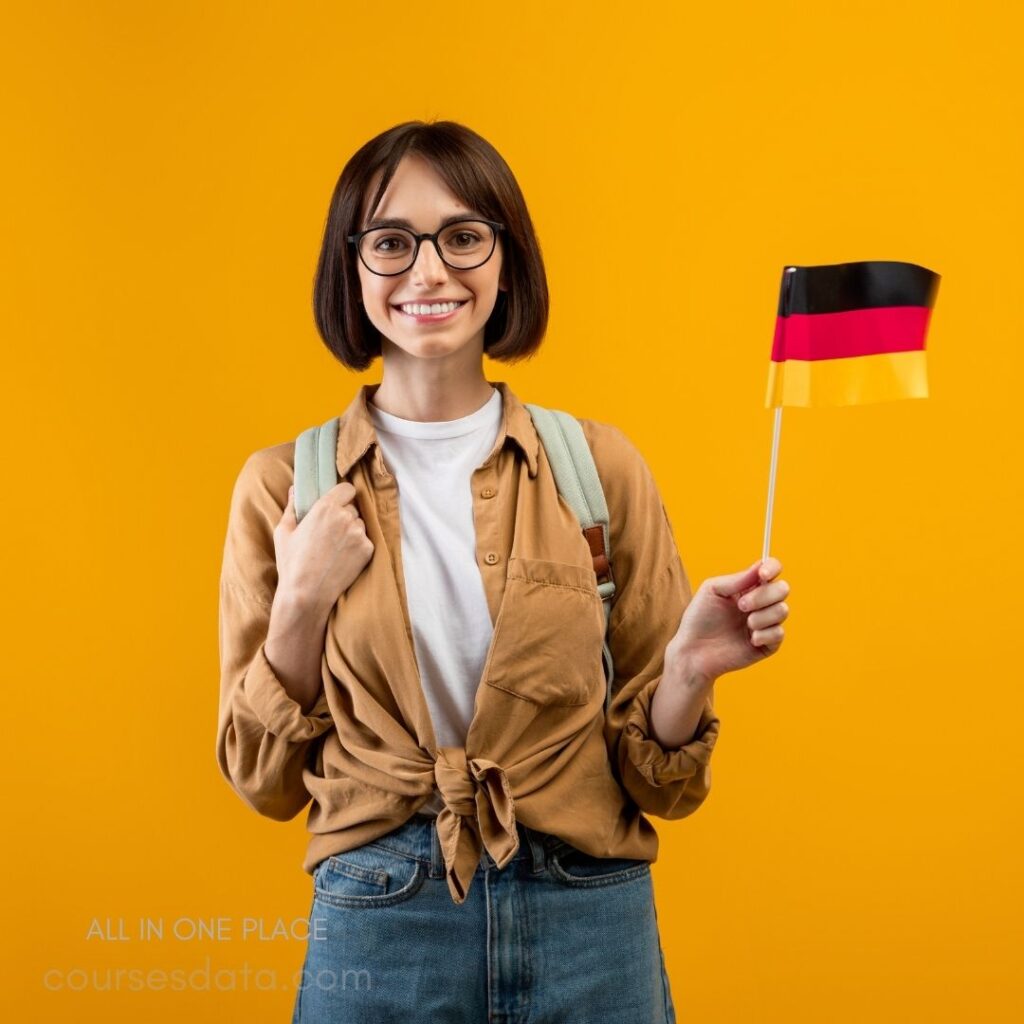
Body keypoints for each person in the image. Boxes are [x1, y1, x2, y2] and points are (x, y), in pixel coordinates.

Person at [216, 120, 791, 1024]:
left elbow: (660, 786)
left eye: (464, 236)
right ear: (352, 266)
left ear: (506, 260)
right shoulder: (285, 487)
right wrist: (298, 603)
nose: (430, 271)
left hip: (588, 918)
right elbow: (264, 782)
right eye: (392, 241)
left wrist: (688, 673)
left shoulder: (596, 469)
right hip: (381, 921)